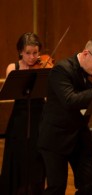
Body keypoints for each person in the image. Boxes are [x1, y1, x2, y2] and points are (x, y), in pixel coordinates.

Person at [37, 37, 92, 195]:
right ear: (86, 53)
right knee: (57, 187)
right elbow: (70, 100)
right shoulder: (61, 70)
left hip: (79, 134)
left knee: (89, 182)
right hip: (56, 136)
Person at [0, 32, 46, 194]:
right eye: (28, 53)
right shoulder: (13, 67)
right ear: (20, 51)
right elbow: (13, 93)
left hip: (39, 116)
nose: (32, 57)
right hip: (20, 117)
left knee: (37, 155)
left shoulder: (45, 67)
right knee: (19, 155)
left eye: (35, 53)